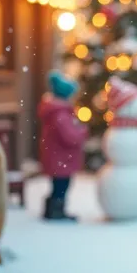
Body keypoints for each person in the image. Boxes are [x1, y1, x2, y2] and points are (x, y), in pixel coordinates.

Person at [37, 70, 89, 221]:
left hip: (56, 157)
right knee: (61, 186)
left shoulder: (55, 112)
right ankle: (56, 210)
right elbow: (70, 136)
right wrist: (82, 131)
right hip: (62, 158)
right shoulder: (61, 114)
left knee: (57, 185)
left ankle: (52, 209)